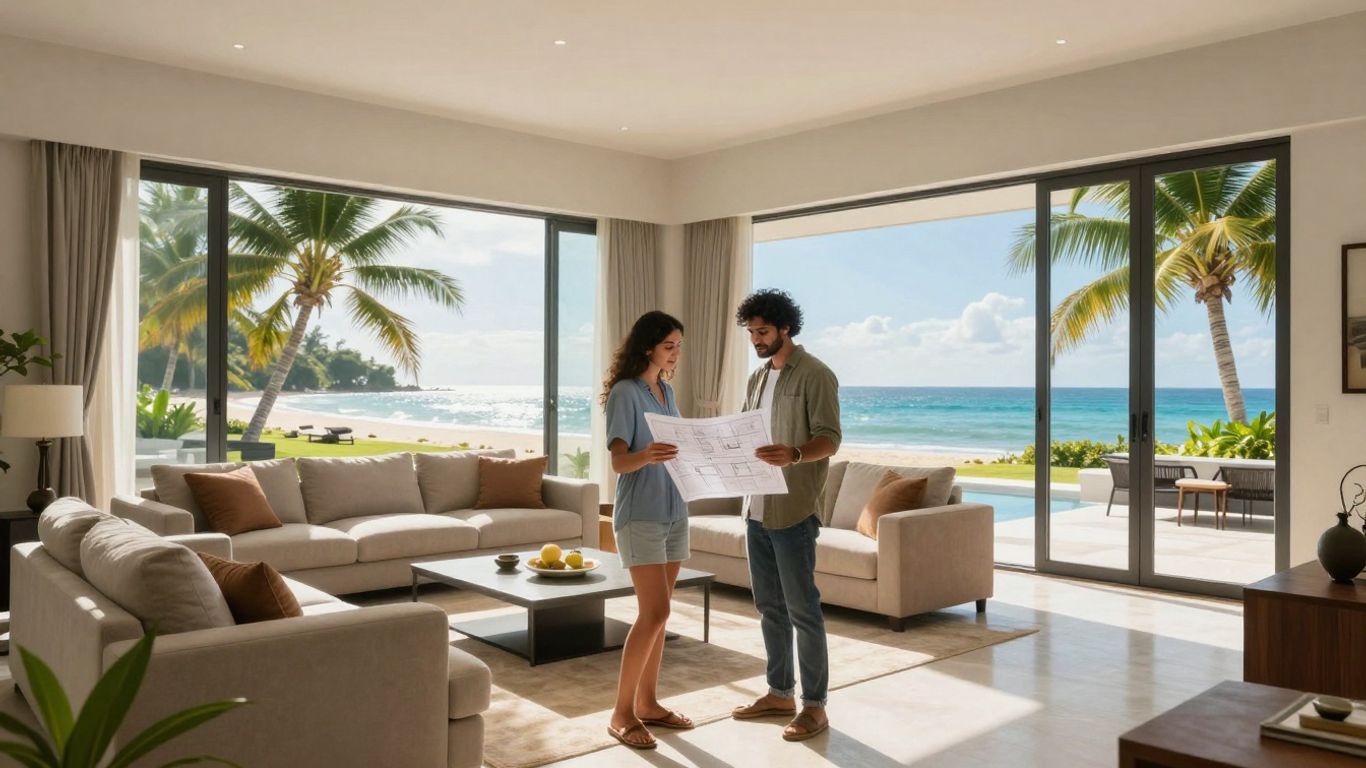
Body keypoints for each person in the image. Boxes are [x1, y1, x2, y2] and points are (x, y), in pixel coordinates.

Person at [730, 289, 841, 742]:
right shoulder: (758, 378)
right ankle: (779, 693)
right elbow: (743, 431)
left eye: (763, 332)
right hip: (755, 507)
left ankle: (815, 706)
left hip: (793, 509)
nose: (756, 340)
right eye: (751, 332)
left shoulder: (816, 375)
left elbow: (830, 438)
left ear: (785, 329)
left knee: (802, 609)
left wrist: (794, 453)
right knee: (768, 607)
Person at [602, 310, 693, 750]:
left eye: (678, 344)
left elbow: (673, 449)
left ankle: (650, 703)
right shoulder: (625, 393)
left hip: (675, 510)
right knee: (653, 613)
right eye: (669, 344)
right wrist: (649, 454)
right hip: (641, 514)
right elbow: (620, 462)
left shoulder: (666, 390)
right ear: (648, 346)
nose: (676, 352)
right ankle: (622, 713)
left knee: (663, 615)